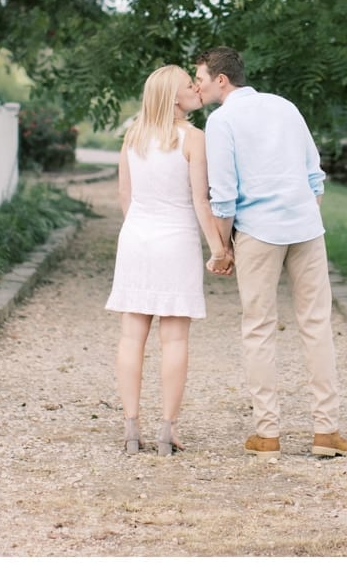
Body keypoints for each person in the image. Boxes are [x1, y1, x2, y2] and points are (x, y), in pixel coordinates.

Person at [192, 46, 347, 458]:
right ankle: (326, 432)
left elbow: (223, 198)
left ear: (221, 80)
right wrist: (301, 213)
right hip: (306, 228)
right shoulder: (284, 106)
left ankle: (268, 434)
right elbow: (314, 174)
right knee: (316, 324)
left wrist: (223, 247)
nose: (198, 86)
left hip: (258, 233)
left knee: (259, 327)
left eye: (202, 79)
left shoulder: (221, 121)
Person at [104, 64, 235, 456]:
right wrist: (219, 248)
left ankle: (130, 428)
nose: (197, 88)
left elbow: (125, 197)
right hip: (175, 240)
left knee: (131, 336)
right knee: (174, 337)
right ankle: (167, 429)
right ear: (173, 97)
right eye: (188, 85)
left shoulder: (133, 136)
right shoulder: (194, 138)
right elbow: (200, 201)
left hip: (136, 239)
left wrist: (140, 231)